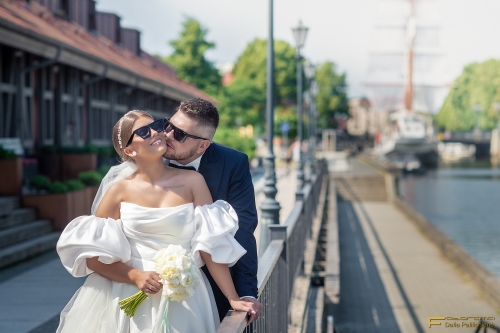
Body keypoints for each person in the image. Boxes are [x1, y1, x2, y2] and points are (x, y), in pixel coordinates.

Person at [56, 110, 256, 332]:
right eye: (143, 131)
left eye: (156, 125)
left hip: (188, 295)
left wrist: (233, 297)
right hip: (130, 293)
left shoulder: (193, 182)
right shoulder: (118, 192)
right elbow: (94, 259)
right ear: (129, 150)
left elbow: (210, 246)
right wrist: (136, 276)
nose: (155, 132)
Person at [162, 98, 263, 323]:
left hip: (208, 287)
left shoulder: (233, 163)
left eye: (179, 134)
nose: (167, 135)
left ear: (202, 145)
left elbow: (243, 229)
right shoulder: (150, 156)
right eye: (168, 125)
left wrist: (246, 292)